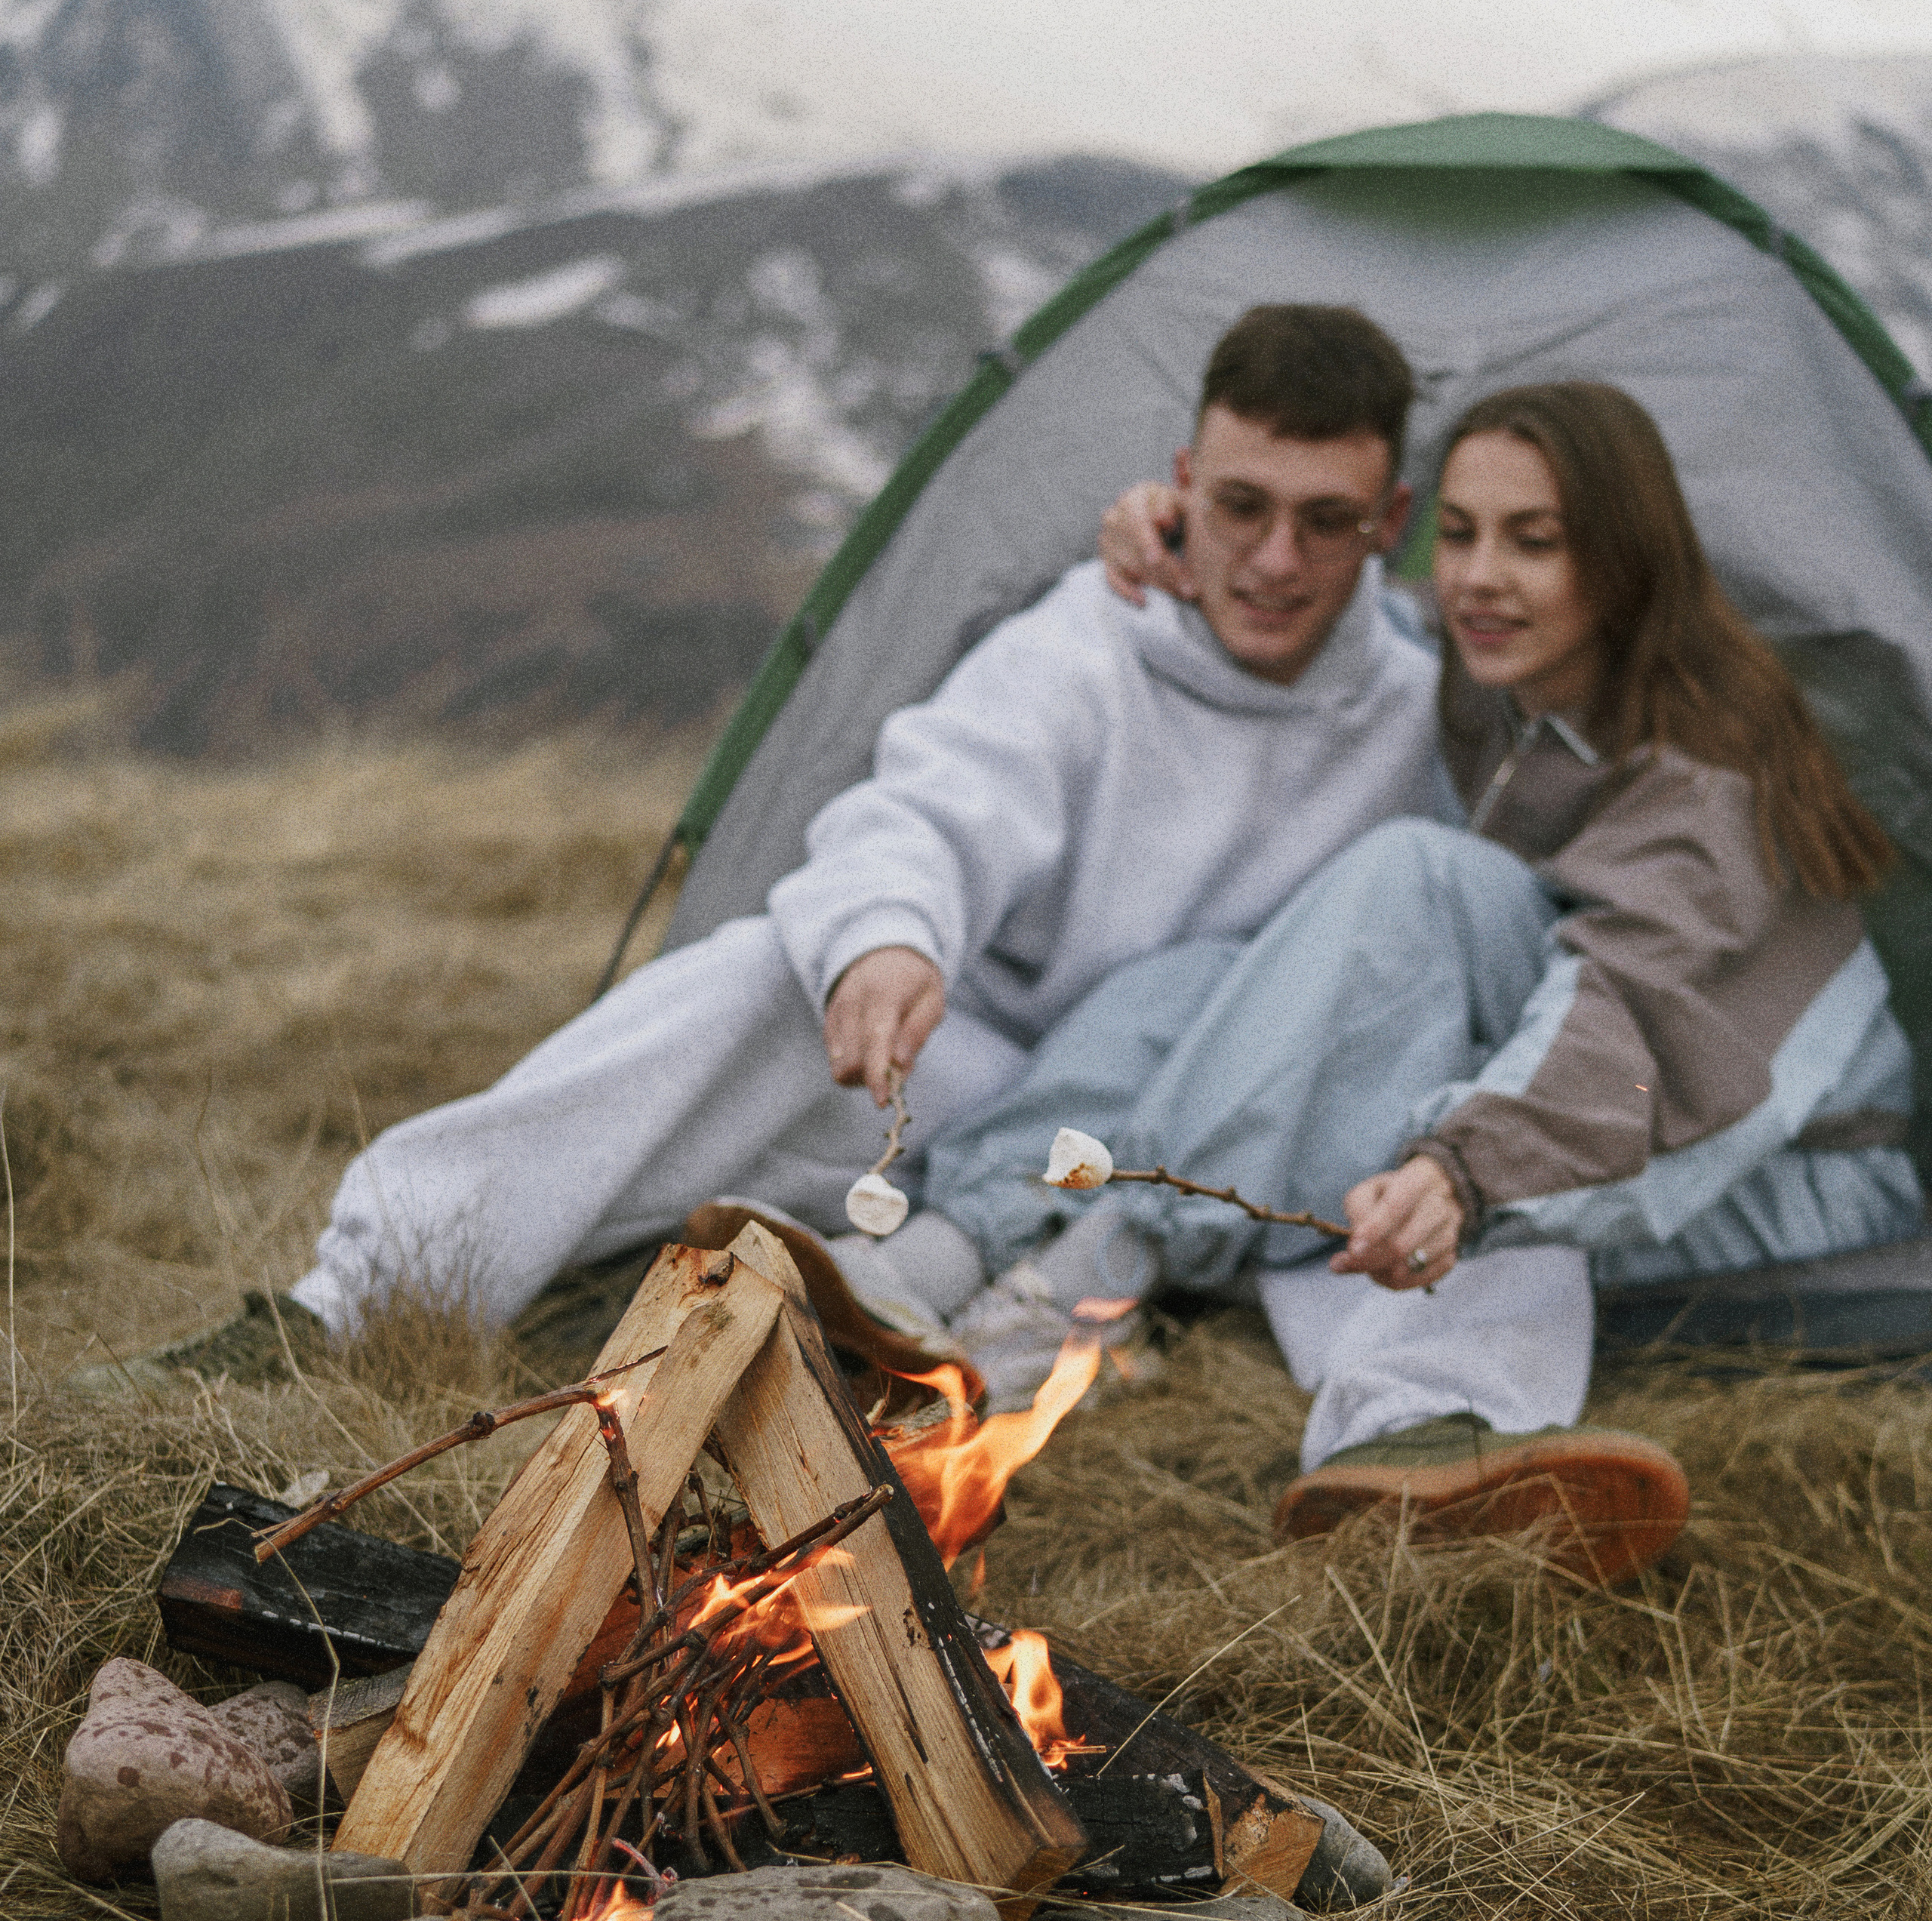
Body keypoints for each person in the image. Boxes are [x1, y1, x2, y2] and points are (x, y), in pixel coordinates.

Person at [85, 305, 1449, 1393]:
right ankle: (359, 1304)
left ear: (1389, 529)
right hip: (982, 1084)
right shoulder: (1091, 637)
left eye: (1326, 521)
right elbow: (929, 800)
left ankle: (717, 1299)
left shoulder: (1434, 717)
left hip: (1205, 1135)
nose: (1274, 559)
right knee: (765, 977)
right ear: (1180, 487)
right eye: (1242, 507)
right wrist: (892, 939)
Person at [849, 378, 1918, 1575]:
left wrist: (1463, 1166)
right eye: (1457, 533)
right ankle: (942, 1247)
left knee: (1415, 879)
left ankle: (1091, 1280)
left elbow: (1623, 1016)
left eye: (1535, 541)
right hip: (1575, 1084)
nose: (1476, 577)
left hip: (1764, 1171)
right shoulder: (1509, 686)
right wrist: (1178, 528)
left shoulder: (1709, 773)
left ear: (1622, 559)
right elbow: (1358, 612)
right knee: (1204, 975)